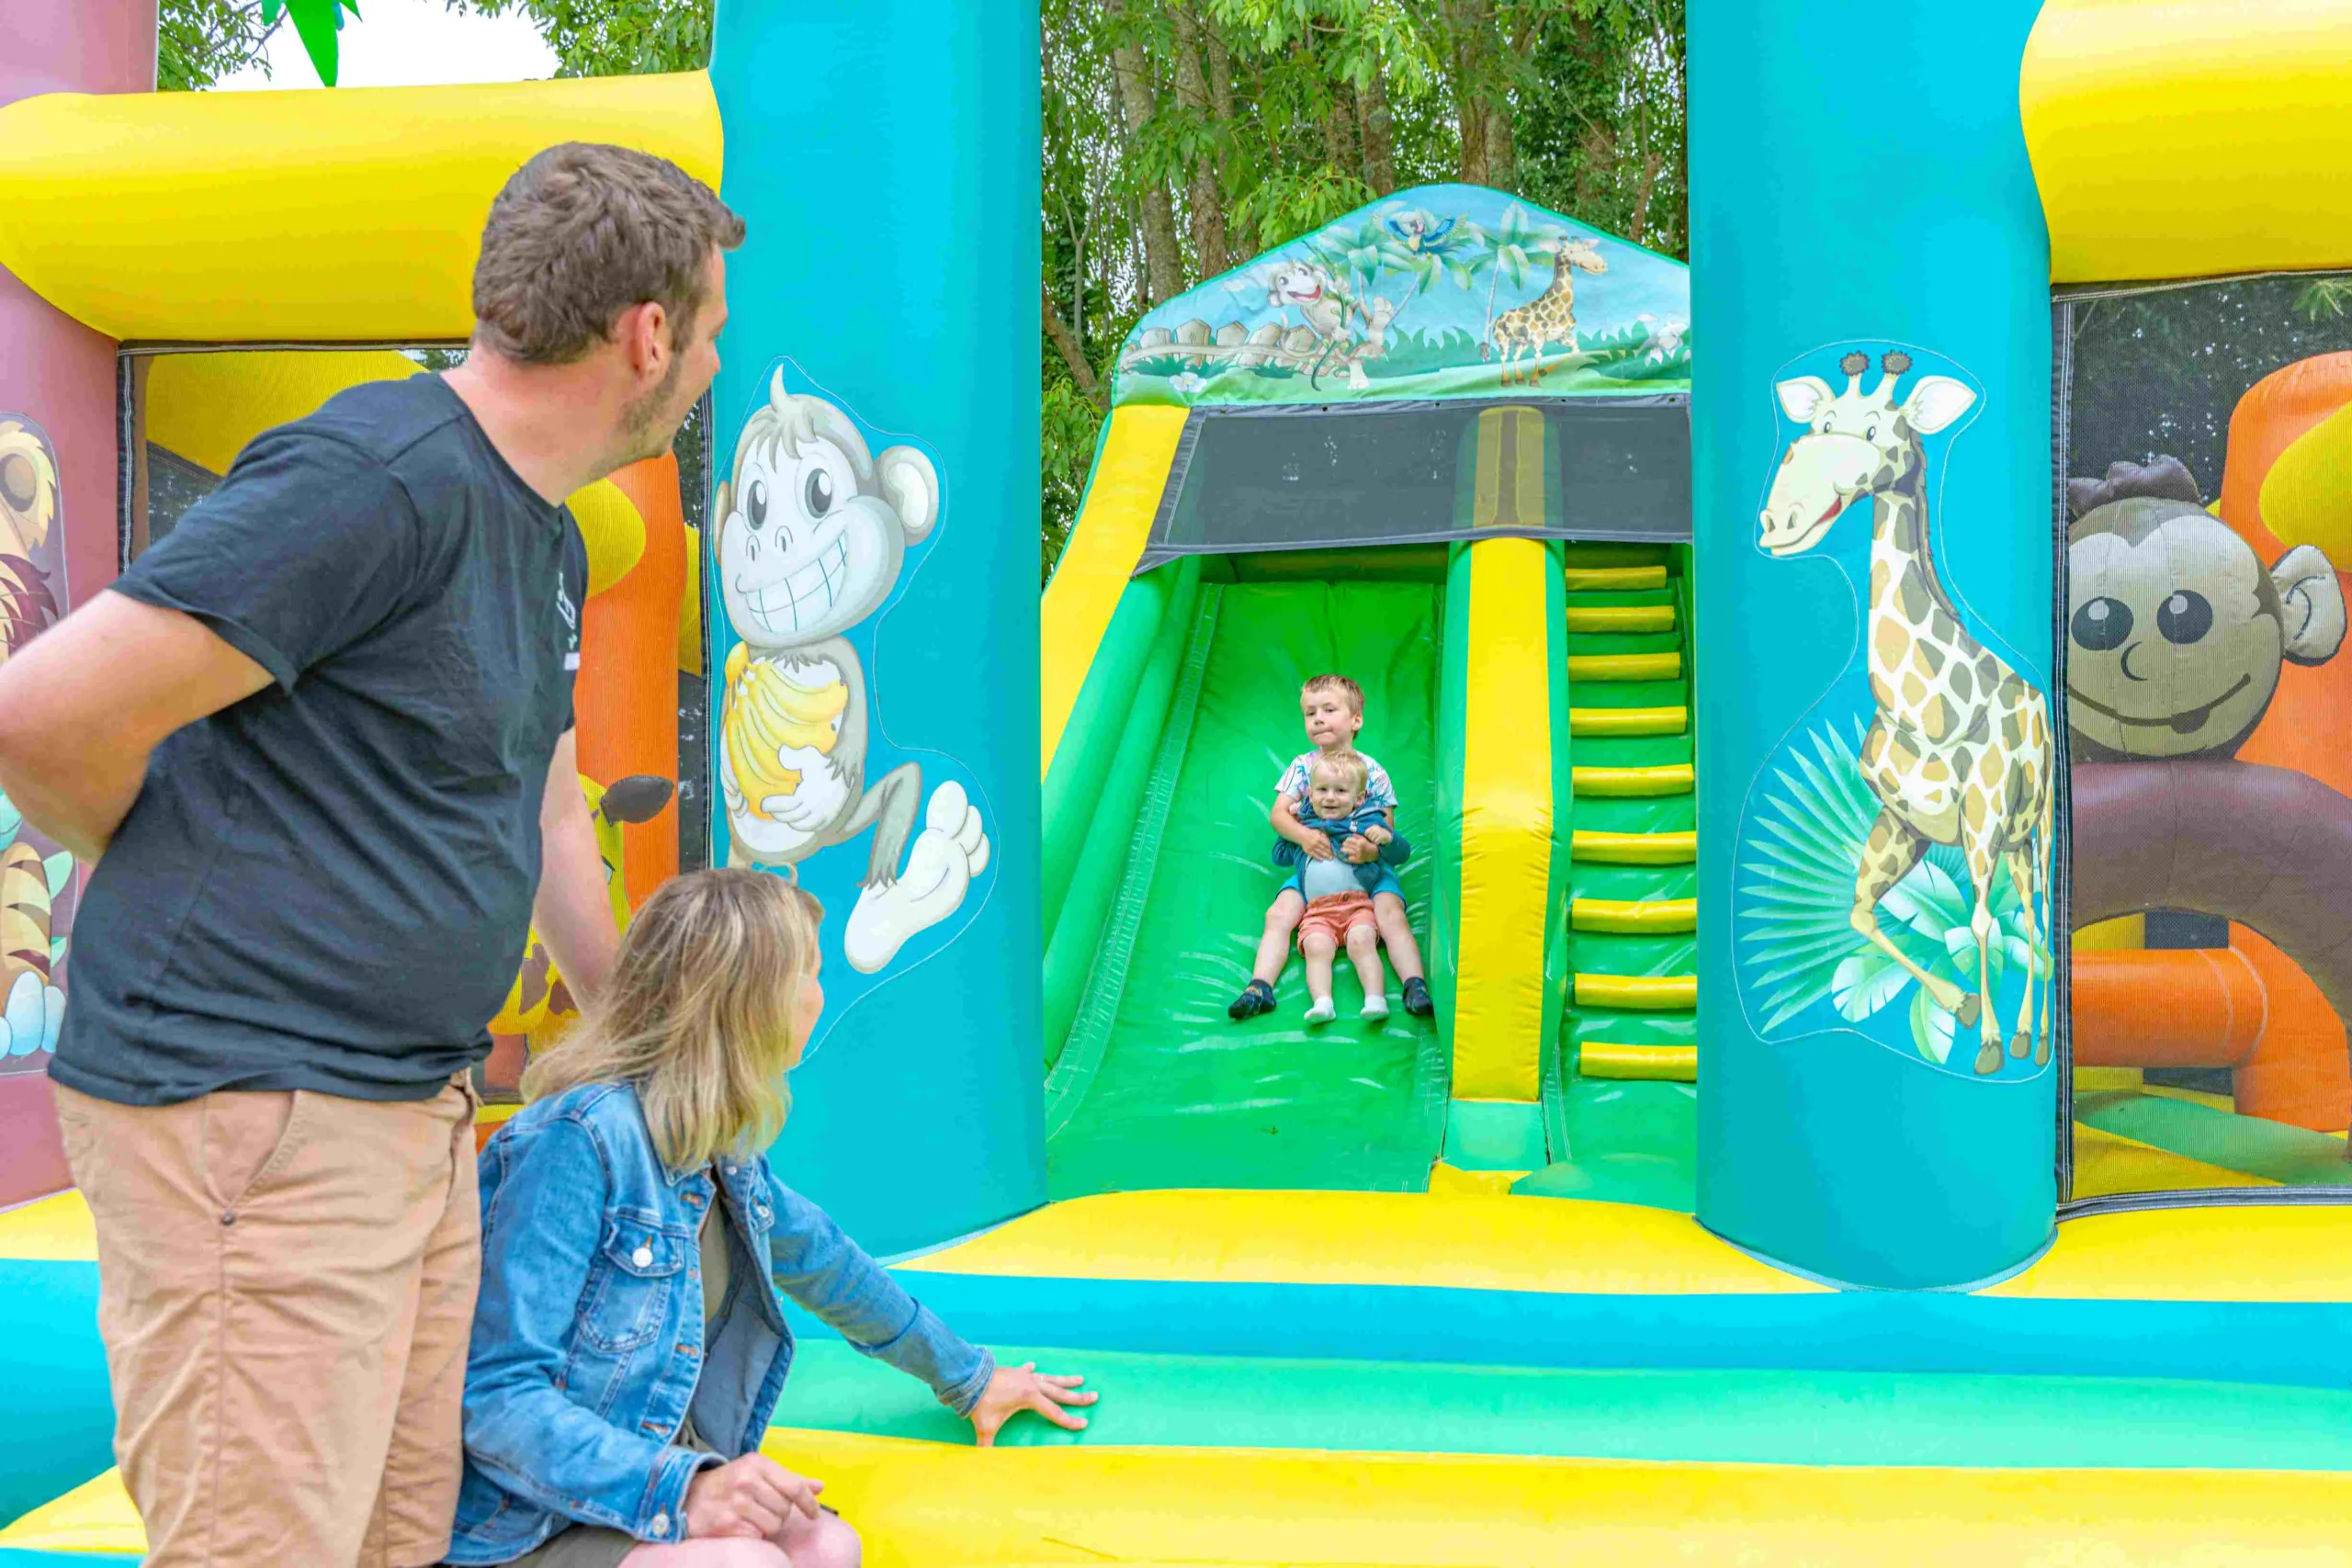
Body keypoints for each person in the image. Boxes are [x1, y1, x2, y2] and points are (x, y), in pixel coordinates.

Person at [0, 142, 743, 1568]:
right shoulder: (378, 476)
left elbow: (541, 806)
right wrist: (158, 866)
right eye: (709, 332)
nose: (709, 362)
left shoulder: (542, 537)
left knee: (403, 1532)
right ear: (647, 334)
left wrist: (646, 1042)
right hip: (256, 1105)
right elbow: (42, 714)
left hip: (414, 1110)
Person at [450, 869, 1095, 1568]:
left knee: (827, 1544)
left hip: (643, 1487)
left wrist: (970, 1377)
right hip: (533, 1517)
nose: (819, 997)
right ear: (749, 996)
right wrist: (684, 1487)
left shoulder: (719, 1154)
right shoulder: (577, 1139)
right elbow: (498, 1396)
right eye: (810, 972)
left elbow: (834, 1269)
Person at [1229, 673, 1434, 1021]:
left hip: (1365, 869)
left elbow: (1387, 829)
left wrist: (1371, 852)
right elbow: (1279, 816)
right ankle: (1259, 986)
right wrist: (1304, 836)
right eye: (1310, 713)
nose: (1318, 718)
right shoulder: (1302, 766)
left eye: (1328, 710)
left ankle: (1414, 984)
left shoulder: (1372, 771)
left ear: (1356, 720)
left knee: (1391, 913)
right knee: (1278, 914)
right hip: (1313, 865)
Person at [1272, 751, 1409, 1023]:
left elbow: (1402, 852)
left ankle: (1375, 998)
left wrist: (1385, 838)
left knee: (1362, 942)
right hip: (1317, 911)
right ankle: (1322, 1002)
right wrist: (1298, 832)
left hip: (1357, 903)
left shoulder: (1366, 820)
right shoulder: (1307, 825)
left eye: (1340, 791)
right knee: (1315, 948)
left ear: (1358, 799)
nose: (1330, 797)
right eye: (1322, 790)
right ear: (1310, 795)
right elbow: (1279, 857)